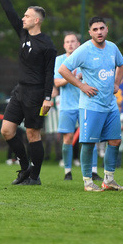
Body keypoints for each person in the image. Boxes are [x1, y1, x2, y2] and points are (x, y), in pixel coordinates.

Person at [0, 0, 57, 185]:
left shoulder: (47, 45)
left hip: (37, 94)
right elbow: (9, 10)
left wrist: (48, 97)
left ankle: (35, 177)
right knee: (7, 130)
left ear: (37, 20)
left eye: (27, 16)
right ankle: (24, 169)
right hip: (20, 91)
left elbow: (50, 73)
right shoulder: (22, 33)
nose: (23, 18)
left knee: (32, 135)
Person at [59, 16, 123, 192]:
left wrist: (117, 83)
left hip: (110, 104)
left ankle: (109, 180)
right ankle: (88, 182)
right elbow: (63, 70)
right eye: (95, 29)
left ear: (107, 29)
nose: (99, 32)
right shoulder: (84, 50)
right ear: (90, 32)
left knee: (114, 140)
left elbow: (122, 64)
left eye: (102, 28)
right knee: (88, 143)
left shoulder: (112, 47)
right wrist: (81, 85)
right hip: (91, 106)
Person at [54, 32, 83, 181]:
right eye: (67, 42)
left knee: (89, 137)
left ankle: (92, 170)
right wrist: (72, 77)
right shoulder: (59, 60)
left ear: (78, 43)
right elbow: (57, 82)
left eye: (73, 41)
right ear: (64, 45)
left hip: (85, 104)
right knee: (68, 137)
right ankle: (67, 171)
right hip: (66, 106)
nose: (70, 44)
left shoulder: (83, 58)